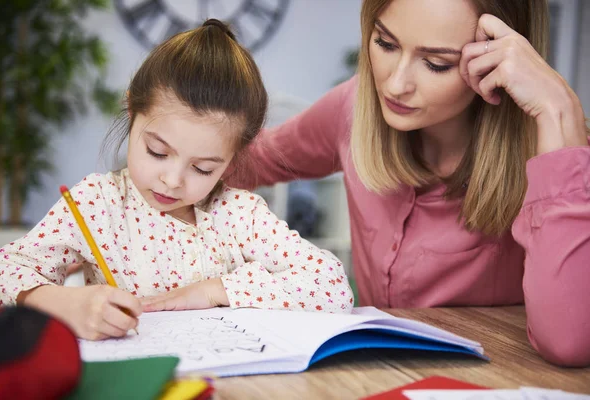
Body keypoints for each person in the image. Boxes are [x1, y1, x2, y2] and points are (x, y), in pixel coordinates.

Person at [228, 0, 590, 367]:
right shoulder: (352, 108)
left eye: (437, 64)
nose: (396, 84)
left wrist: (559, 109)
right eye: (385, 43)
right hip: (366, 375)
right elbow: (241, 162)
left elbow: (570, 343)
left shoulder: (558, 161)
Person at [0, 19, 353, 341]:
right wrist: (63, 302)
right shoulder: (96, 204)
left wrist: (215, 290)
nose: (172, 180)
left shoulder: (239, 214)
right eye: (158, 152)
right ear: (132, 111)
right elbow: (1, 273)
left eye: (203, 169)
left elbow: (333, 286)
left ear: (231, 160)